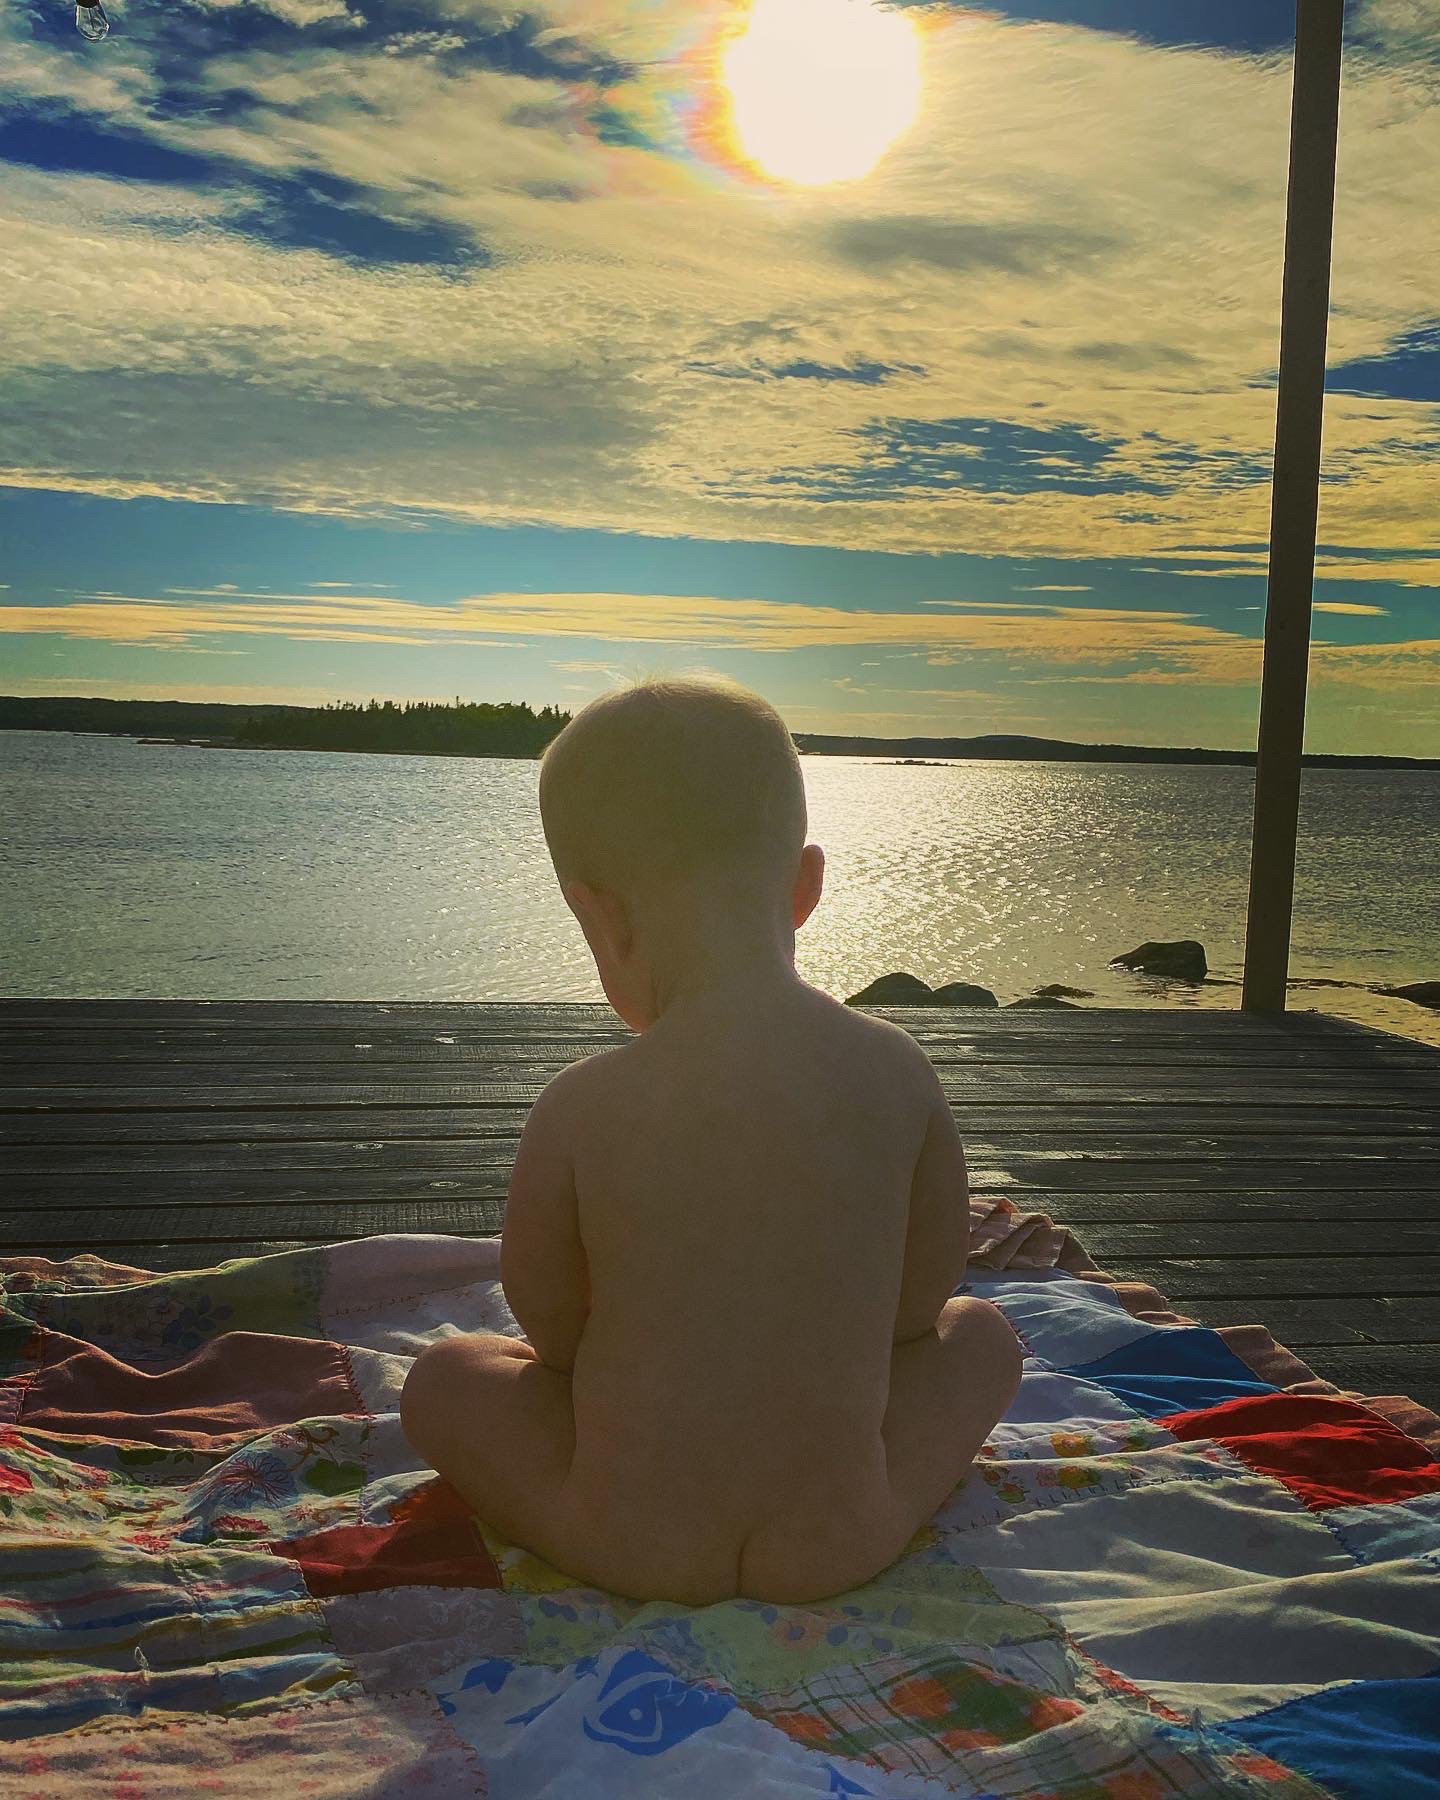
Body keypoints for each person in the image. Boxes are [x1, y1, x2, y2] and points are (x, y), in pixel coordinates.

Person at [400, 677, 1022, 1605]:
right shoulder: (897, 1070)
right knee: (984, 1339)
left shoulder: (581, 1106)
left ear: (602, 918)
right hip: (842, 1532)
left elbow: (554, 1336)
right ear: (805, 888)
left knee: (445, 1378)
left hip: (624, 1534)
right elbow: (918, 1307)